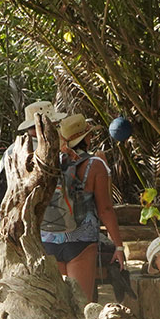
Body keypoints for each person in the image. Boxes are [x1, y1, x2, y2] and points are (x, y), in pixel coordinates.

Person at [39, 113, 123, 300]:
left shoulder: (49, 163)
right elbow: (105, 209)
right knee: (82, 305)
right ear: (86, 138)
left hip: (49, 239)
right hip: (81, 241)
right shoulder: (95, 165)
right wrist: (119, 246)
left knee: (59, 305)